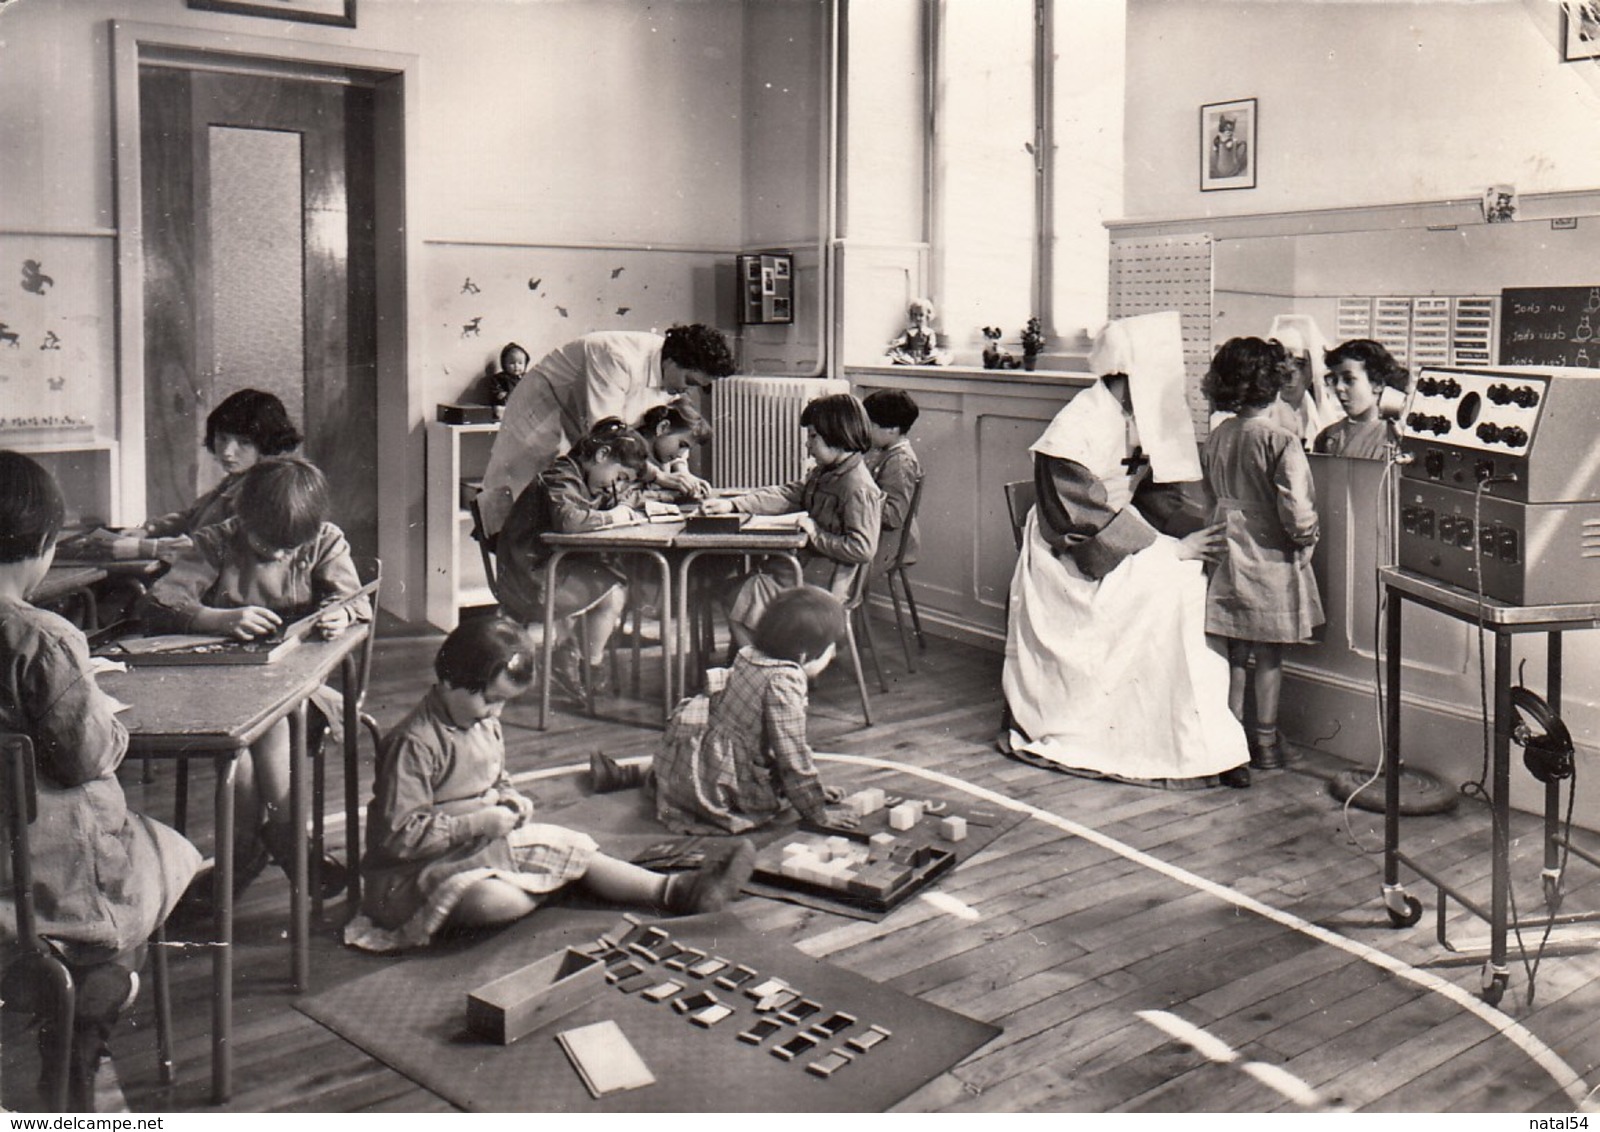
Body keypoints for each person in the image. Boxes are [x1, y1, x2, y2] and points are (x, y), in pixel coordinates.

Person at [344, 616, 757, 953]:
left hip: (468, 849)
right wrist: (479, 822)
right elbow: (399, 837)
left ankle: (678, 891)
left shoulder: (482, 721)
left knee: (563, 844)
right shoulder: (414, 743)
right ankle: (560, 881)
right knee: (497, 901)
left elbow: (495, 777)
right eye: (489, 699)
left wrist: (508, 797)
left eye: (504, 702)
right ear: (449, 681)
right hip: (407, 879)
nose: (495, 712)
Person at [0, 451, 202, 1108]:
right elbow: (88, 753)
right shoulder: (43, 639)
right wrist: (107, 717)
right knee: (167, 855)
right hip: (46, 889)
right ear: (41, 547)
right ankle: (83, 1046)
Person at [1000, 311, 1251, 789]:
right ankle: (1159, 736)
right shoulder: (1076, 425)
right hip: (1071, 556)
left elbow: (1153, 493)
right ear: (1128, 372)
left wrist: (1197, 531)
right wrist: (1171, 551)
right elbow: (1076, 519)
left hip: (1121, 536)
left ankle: (1204, 738)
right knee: (1174, 587)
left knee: (1193, 583)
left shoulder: (1134, 417)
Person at [138, 456, 369, 902]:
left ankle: (248, 850)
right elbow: (159, 602)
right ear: (241, 518)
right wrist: (214, 618)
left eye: (291, 547)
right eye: (268, 546)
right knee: (244, 749)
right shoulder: (215, 544)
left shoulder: (323, 542)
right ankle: (281, 841)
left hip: (305, 696)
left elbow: (355, 600)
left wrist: (339, 612)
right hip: (223, 696)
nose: (282, 555)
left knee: (267, 725)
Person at [589, 586, 861, 835]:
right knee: (763, 797)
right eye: (829, 652)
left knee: (696, 767)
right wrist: (816, 810)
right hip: (725, 779)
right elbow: (791, 756)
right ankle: (641, 776)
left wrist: (814, 790)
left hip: (698, 756)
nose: (832, 657)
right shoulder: (784, 681)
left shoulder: (750, 654)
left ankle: (634, 773)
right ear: (803, 656)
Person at [478, 325, 736, 538]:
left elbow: (679, 421)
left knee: (584, 498)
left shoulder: (671, 366)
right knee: (524, 504)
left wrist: (681, 470)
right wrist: (659, 477)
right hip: (543, 409)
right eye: (689, 381)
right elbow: (608, 436)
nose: (685, 390)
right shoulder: (617, 357)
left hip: (579, 416)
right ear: (671, 362)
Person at [1202, 337, 1325, 771]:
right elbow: (1296, 508)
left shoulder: (1219, 434)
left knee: (1234, 654)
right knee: (1270, 653)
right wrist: (1307, 539)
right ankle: (1266, 743)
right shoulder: (1281, 440)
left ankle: (1231, 746)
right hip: (1268, 551)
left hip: (1226, 548)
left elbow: (1209, 494)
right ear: (1273, 385)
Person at [702, 394, 883, 649]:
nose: (807, 446)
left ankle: (765, 668)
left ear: (837, 434)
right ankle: (762, 665)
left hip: (822, 582)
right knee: (733, 590)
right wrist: (733, 504)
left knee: (735, 595)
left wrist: (814, 533)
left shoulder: (856, 486)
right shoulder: (828, 472)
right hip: (804, 569)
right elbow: (789, 493)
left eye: (813, 437)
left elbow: (862, 549)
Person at [494, 419, 652, 703]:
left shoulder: (579, 474)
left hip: (543, 569)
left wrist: (635, 503)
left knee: (613, 581)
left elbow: (601, 502)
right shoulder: (560, 476)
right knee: (615, 589)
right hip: (528, 579)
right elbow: (569, 520)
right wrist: (615, 515)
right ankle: (581, 662)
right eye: (619, 475)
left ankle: (575, 657)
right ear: (602, 456)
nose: (616, 485)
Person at [77, 388, 302, 562]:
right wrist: (148, 530)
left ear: (266, 444)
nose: (227, 451)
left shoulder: (265, 491)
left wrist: (144, 548)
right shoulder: (236, 480)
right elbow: (193, 517)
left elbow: (219, 548)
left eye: (244, 443)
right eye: (222, 438)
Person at [1313, 338, 1410, 461]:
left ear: (1378, 384)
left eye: (1348, 379)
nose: (1339, 388)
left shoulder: (1397, 437)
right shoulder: (1327, 437)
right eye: (1335, 380)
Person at [861, 388, 922, 579]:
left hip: (889, 542)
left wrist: (862, 492)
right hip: (879, 536)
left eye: (870, 426)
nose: (865, 431)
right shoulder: (885, 453)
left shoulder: (899, 461)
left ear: (892, 429)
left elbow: (894, 516)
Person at [630, 400, 714, 502]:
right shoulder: (629, 452)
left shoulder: (662, 458)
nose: (680, 454)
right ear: (663, 427)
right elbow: (625, 499)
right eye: (681, 445)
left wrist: (689, 482)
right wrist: (671, 496)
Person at [884, 298, 953, 366]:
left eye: (921, 315)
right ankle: (888, 360)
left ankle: (943, 361)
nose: (918, 318)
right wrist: (899, 341)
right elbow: (903, 339)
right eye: (915, 315)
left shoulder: (929, 332)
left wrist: (931, 344)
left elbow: (932, 341)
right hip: (911, 355)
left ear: (927, 316)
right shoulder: (909, 331)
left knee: (939, 356)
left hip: (925, 354)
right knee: (895, 354)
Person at [488, 342, 530, 408]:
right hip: (506, 406)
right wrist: (501, 395)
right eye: (512, 363)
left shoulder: (527, 378)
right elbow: (496, 394)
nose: (516, 366)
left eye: (520, 363)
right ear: (504, 364)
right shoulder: (499, 378)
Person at [1209, 114, 1248, 179]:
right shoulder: (1219, 137)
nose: (1229, 131)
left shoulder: (1232, 139)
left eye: (1231, 130)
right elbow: (1216, 142)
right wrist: (1216, 146)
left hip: (1232, 164)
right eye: (1227, 129)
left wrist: (1233, 143)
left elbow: (1231, 143)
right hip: (1221, 164)